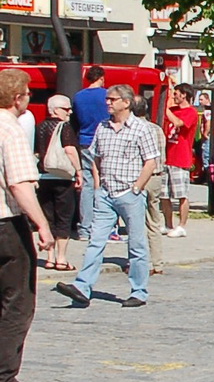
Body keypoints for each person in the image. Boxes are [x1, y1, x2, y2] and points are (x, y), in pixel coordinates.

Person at [55, 83, 159, 308]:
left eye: (112, 99)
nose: (108, 103)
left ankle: (139, 291)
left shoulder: (142, 129)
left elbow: (151, 161)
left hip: (130, 194)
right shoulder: (103, 127)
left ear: (126, 102)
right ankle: (82, 286)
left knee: (136, 245)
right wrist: (98, 183)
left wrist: (137, 187)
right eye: (107, 99)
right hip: (106, 194)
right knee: (95, 242)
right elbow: (95, 156)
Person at [0, 70, 53, 382]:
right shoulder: (10, 129)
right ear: (17, 98)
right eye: (28, 93)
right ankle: (4, 376)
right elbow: (19, 183)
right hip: (6, 223)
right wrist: (42, 224)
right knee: (17, 299)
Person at [34, 95, 80, 272]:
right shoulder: (65, 127)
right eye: (66, 109)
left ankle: (50, 257)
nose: (70, 112)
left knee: (48, 217)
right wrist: (79, 171)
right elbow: (70, 150)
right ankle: (61, 258)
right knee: (64, 217)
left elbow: (36, 152)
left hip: (44, 177)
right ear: (55, 110)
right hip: (63, 178)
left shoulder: (40, 127)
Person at [71, 65, 107, 241]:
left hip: (85, 140)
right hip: (104, 140)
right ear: (101, 78)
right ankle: (104, 225)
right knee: (105, 182)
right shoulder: (107, 95)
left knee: (87, 184)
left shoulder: (78, 97)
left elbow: (76, 120)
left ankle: (85, 228)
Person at [134, 97, 167, 276]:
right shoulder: (157, 129)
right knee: (154, 221)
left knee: (135, 222)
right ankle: (157, 263)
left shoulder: (134, 129)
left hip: (139, 177)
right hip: (156, 177)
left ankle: (140, 262)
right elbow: (162, 155)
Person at [161, 84, 197, 237]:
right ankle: (168, 224)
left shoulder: (191, 112)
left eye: (176, 94)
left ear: (184, 95)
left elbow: (178, 123)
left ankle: (182, 226)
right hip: (166, 157)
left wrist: (165, 109)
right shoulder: (173, 110)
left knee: (181, 194)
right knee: (164, 195)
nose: (174, 96)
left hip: (180, 158)